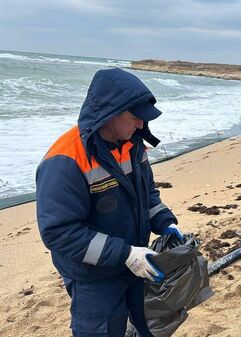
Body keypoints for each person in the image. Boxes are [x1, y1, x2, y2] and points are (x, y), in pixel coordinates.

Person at [36, 68, 184, 337]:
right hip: (95, 277)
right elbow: (58, 233)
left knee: (151, 326)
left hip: (138, 263)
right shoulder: (65, 161)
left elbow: (147, 194)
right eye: (135, 117)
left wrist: (166, 223)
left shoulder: (132, 144)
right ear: (110, 113)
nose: (141, 125)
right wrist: (125, 254)